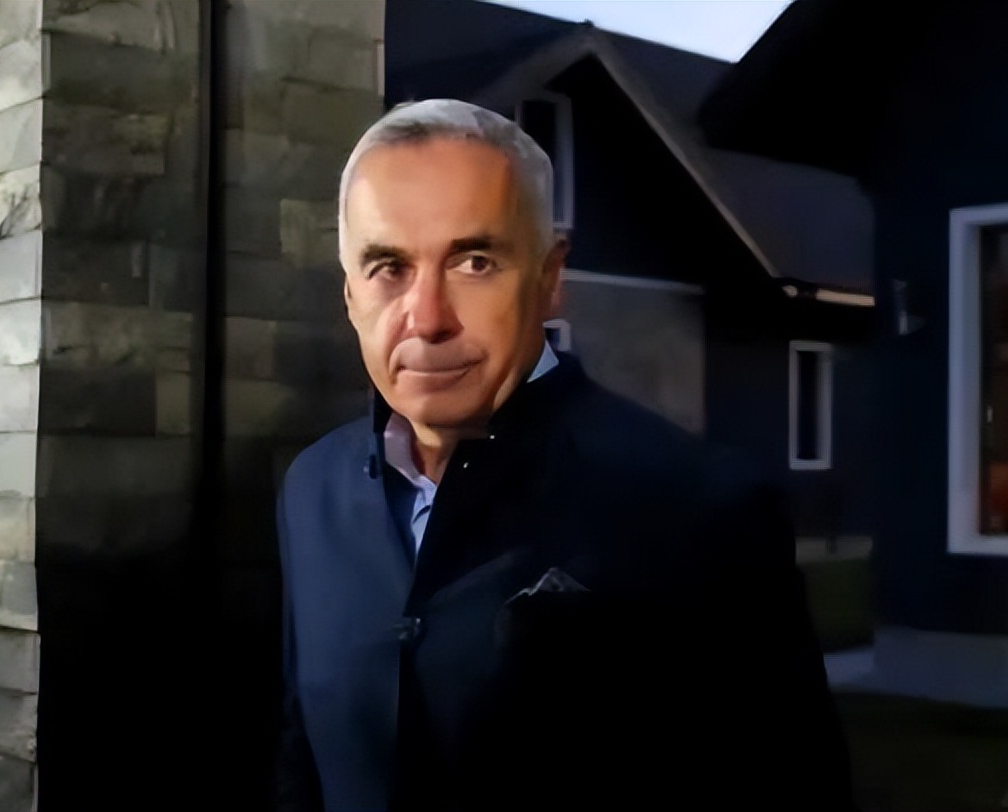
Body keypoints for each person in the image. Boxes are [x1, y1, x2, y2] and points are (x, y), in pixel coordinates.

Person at [275, 98, 854, 812]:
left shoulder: (702, 510)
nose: (426, 318)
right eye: (388, 266)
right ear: (349, 294)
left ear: (550, 278)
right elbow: (303, 756)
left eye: (474, 261)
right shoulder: (311, 491)